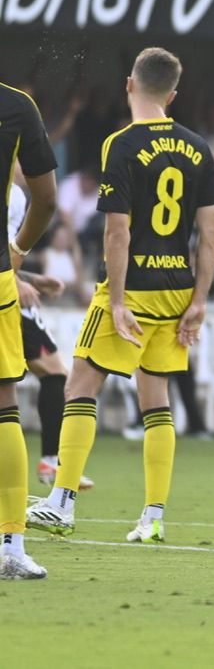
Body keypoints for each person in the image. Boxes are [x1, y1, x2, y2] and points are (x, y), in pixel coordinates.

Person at [26, 48, 214, 546]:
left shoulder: (122, 144)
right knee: (156, 402)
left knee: (81, 386)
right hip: (177, 291)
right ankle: (153, 515)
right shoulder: (199, 148)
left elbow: (118, 232)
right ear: (173, 95)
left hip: (131, 288)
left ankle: (61, 503)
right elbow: (211, 232)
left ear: (129, 85)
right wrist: (200, 300)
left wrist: (115, 300)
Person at [0, 83, 59, 581]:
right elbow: (46, 199)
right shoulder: (16, 105)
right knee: (4, 405)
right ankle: (10, 547)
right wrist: (16, 255)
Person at [8, 182, 95, 491]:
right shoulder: (13, 191)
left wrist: (29, 278)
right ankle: (49, 462)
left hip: (11, 291)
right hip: (7, 295)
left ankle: (50, 461)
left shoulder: (17, 193)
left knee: (54, 372)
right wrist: (14, 283)